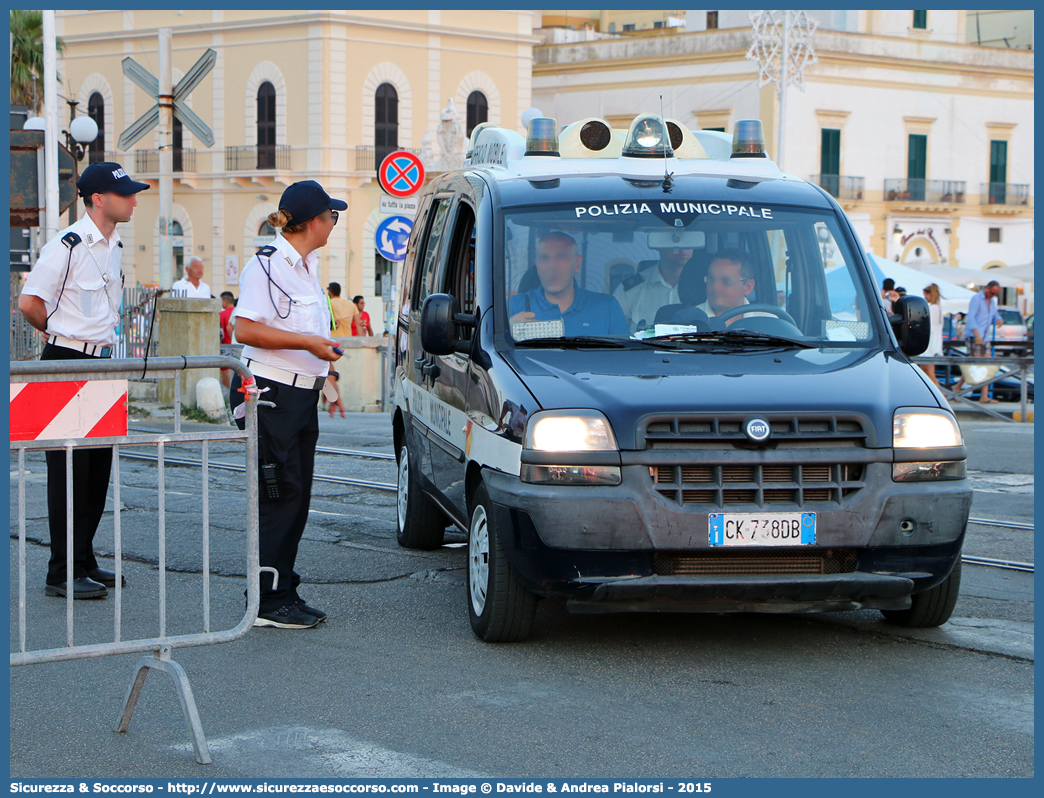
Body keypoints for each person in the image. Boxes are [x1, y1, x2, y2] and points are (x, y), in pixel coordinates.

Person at [17, 161, 149, 599]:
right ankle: (61, 570)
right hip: (67, 359)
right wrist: (57, 331)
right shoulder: (67, 245)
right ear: (98, 199)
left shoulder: (113, 245)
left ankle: (84, 559)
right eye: (125, 193)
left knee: (96, 471)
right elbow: (30, 301)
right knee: (69, 472)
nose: (133, 200)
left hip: (102, 362)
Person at [228, 179, 346, 629]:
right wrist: (308, 344)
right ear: (315, 221)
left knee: (295, 496)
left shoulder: (305, 265)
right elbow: (246, 330)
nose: (334, 222)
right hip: (271, 392)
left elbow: (311, 339)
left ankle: (282, 589)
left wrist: (326, 377)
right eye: (331, 216)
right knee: (279, 494)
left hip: (301, 392)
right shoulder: (269, 264)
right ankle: (265, 600)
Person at [509, 231, 628, 336]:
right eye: (544, 258)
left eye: (561, 257)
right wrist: (507, 334)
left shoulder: (607, 307)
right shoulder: (513, 307)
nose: (552, 266)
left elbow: (623, 358)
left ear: (577, 263)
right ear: (537, 265)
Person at [613, 244, 693, 332]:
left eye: (689, 241)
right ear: (657, 244)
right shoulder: (630, 290)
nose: (683, 247)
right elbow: (613, 335)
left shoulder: (707, 287)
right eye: (674, 240)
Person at [695, 250, 772, 325]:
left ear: (748, 287)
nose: (715, 287)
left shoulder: (768, 322)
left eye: (725, 281)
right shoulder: (689, 320)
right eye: (711, 279)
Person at [958, 279, 1003, 403]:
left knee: (986, 365)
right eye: (993, 293)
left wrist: (999, 320)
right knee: (974, 364)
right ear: (988, 289)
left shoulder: (991, 301)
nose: (994, 296)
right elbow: (971, 318)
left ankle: (984, 395)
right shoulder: (977, 298)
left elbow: (994, 315)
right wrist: (977, 336)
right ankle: (958, 387)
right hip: (974, 335)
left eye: (996, 294)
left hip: (984, 336)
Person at [919, 283, 944, 386]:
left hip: (930, 341)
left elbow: (928, 326)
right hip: (935, 340)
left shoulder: (932, 309)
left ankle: (939, 391)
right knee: (924, 369)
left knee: (928, 369)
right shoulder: (937, 308)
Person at [219, 291, 236, 388]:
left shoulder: (222, 314)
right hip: (239, 346)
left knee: (225, 370)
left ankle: (227, 391)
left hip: (226, 345)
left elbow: (221, 331)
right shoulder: (238, 311)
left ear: (225, 301)